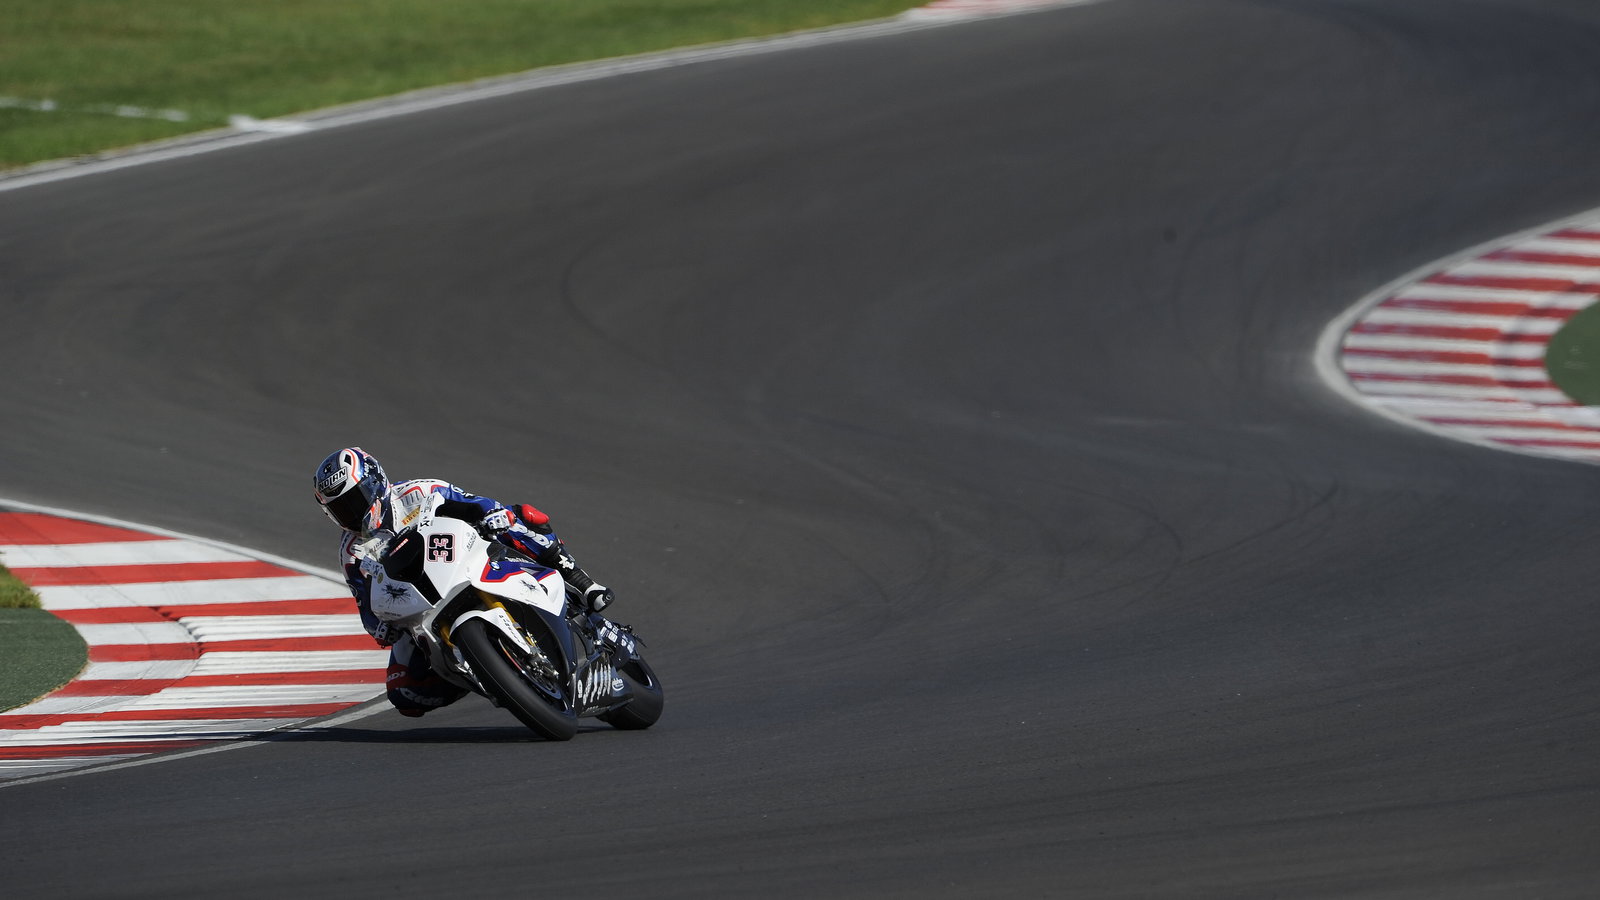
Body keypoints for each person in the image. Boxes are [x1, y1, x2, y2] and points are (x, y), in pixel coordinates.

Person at [312, 446, 617, 717]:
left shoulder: (419, 491)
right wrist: (381, 627)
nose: (350, 513)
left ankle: (577, 577)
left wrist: (493, 514)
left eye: (354, 500)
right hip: (421, 604)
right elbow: (366, 606)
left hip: (471, 557)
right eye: (339, 508)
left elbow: (475, 503)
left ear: (375, 483)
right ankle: (487, 674)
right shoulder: (351, 552)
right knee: (403, 694)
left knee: (520, 516)